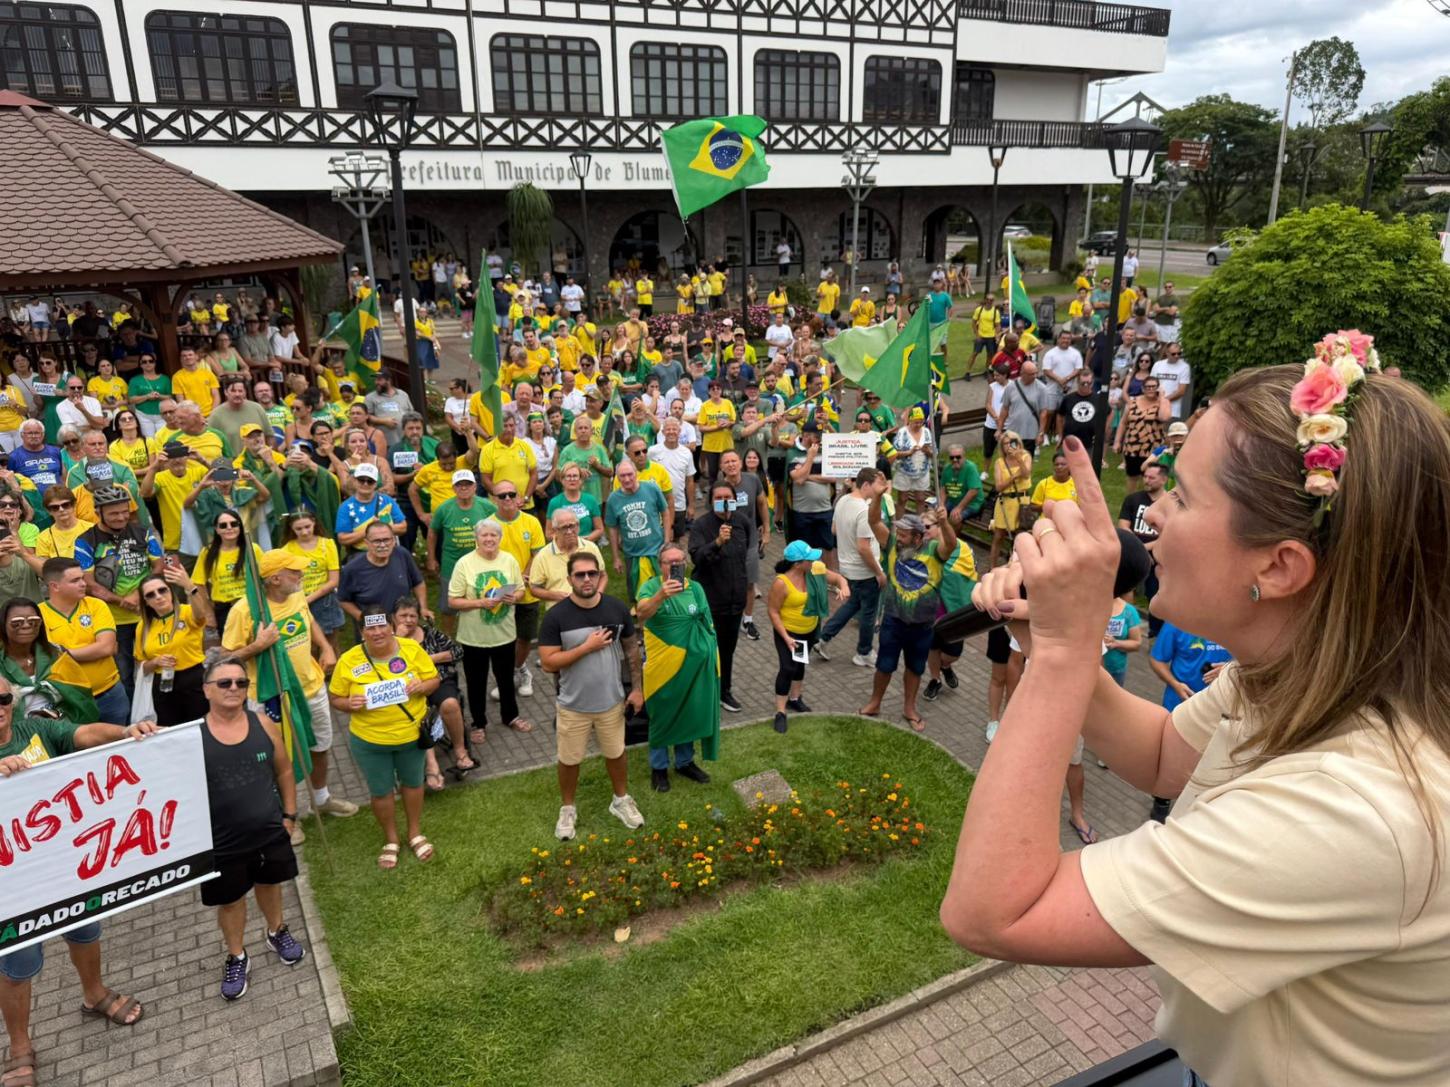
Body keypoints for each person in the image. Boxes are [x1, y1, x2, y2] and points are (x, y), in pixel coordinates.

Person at [943, 351, 1450, 1085]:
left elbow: (992, 910)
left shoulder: (1357, 810)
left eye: (1180, 496)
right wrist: (1050, 634)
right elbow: (1159, 754)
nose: (1149, 517)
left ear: (1278, 568)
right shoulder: (1306, 668)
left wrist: (1058, 654)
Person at [0, 679, 157, 1081]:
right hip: (11, 887)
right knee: (17, 964)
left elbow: (83, 733)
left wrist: (126, 732)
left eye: (2, 698)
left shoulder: (33, 729)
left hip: (62, 868)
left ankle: (95, 994)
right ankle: (19, 1045)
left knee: (85, 929)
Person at [223, 548, 356, 840]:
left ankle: (321, 799)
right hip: (272, 696)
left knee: (321, 745)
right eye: (294, 571)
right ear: (273, 579)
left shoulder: (296, 595)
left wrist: (325, 646)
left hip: (311, 686)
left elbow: (308, 621)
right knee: (277, 758)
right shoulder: (244, 611)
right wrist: (258, 645)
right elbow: (226, 659)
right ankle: (285, 814)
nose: (301, 575)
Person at [196, 656, 308, 1001]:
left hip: (269, 830)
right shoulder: (191, 736)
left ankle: (277, 931)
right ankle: (237, 955)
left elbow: (285, 771)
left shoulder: (262, 723)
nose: (234, 689)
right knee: (230, 901)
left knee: (270, 884)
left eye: (241, 683)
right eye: (225, 683)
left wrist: (289, 816)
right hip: (222, 841)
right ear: (206, 690)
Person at [536, 547, 647, 836]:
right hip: (573, 705)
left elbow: (632, 650)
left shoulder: (616, 608)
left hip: (612, 702)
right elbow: (548, 663)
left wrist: (637, 689)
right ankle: (568, 809)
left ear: (600, 576)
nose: (587, 579)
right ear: (569, 578)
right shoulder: (556, 617)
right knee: (569, 760)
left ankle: (621, 800)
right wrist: (587, 647)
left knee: (616, 753)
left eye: (592, 573)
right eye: (580, 574)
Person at [329, 604, 440, 868]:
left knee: (413, 785)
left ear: (391, 626)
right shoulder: (349, 660)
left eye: (382, 626)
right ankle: (391, 839)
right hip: (370, 741)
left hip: (410, 737)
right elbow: (335, 697)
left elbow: (434, 680)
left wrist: (421, 686)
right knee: (380, 792)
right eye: (371, 627)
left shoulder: (411, 649)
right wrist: (349, 704)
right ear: (362, 631)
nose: (378, 632)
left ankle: (414, 832)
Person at [635, 541, 721, 787]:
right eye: (670, 562)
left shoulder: (695, 588)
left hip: (693, 667)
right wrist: (661, 595)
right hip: (664, 670)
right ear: (660, 565)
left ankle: (685, 762)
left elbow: (706, 623)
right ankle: (659, 768)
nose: (675, 565)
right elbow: (641, 613)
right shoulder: (650, 587)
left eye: (679, 561)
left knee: (688, 713)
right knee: (663, 715)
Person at [74, 486, 163, 701]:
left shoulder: (144, 532)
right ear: (98, 512)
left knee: (158, 666)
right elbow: (88, 584)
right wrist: (122, 601)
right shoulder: (85, 541)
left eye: (124, 511)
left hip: (148, 613)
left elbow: (159, 567)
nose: (121, 517)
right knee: (123, 675)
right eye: (114, 513)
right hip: (113, 621)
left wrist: (139, 594)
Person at [448, 520, 531, 737]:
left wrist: (514, 597)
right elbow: (453, 601)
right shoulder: (464, 563)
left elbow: (521, 590)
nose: (489, 539)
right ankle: (478, 723)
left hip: (504, 634)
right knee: (476, 682)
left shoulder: (509, 560)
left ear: (500, 538)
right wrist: (480, 603)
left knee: (506, 679)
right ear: (477, 538)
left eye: (493, 535)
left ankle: (510, 716)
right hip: (473, 638)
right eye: (484, 535)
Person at [390, 597, 476, 787]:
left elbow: (457, 652)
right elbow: (387, 666)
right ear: (393, 618)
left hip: (439, 679)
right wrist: (399, 639)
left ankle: (461, 752)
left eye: (413, 615)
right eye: (403, 615)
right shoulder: (388, 641)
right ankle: (432, 765)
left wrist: (429, 658)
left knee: (450, 704)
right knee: (418, 712)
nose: (409, 620)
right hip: (407, 689)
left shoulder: (430, 634)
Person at [766, 539, 848, 734]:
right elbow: (773, 612)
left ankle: (795, 699)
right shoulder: (781, 583)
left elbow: (838, 579)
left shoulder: (815, 570)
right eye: (808, 559)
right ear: (797, 563)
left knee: (800, 665)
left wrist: (844, 587)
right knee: (787, 668)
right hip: (788, 633)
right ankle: (780, 712)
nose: (813, 561)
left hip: (809, 630)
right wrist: (786, 638)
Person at [39, 557, 131, 723]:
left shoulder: (96, 605)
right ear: (55, 586)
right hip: (69, 702)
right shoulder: (39, 616)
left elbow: (106, 647)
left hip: (110, 694)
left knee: (120, 747)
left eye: (82, 578)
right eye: (75, 580)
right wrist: (89, 651)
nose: (83, 583)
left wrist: (64, 654)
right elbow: (45, 659)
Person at [687, 478, 749, 714]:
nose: (724, 502)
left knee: (727, 649)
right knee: (705, 650)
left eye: (728, 498)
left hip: (735, 602)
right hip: (711, 601)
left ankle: (725, 691)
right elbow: (697, 557)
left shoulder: (742, 522)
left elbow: (744, 556)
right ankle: (703, 693)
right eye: (719, 498)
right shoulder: (702, 526)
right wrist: (717, 542)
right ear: (711, 501)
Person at [817, 468, 888, 667]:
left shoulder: (843, 501)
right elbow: (864, 547)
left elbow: (834, 529)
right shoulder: (864, 511)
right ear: (866, 485)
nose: (880, 490)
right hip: (864, 570)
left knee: (852, 605)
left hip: (847, 568)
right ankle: (863, 652)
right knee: (868, 613)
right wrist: (879, 572)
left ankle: (823, 637)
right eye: (877, 486)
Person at [134, 564, 212, 727]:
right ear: (146, 602)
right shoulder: (143, 626)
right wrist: (155, 662)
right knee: (169, 732)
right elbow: (141, 665)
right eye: (150, 595)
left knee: (200, 728)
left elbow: (201, 614)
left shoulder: (186, 612)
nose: (158, 596)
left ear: (170, 592)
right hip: (162, 686)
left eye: (162, 590)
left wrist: (190, 586)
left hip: (193, 680)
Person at [489, 483, 544, 698]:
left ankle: (519, 670)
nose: (507, 498)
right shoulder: (489, 525)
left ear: (519, 497)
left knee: (524, 638)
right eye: (502, 495)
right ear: (494, 499)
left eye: (512, 494)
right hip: (502, 592)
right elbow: (487, 558)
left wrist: (522, 579)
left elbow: (537, 554)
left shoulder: (531, 522)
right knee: (502, 639)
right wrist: (510, 581)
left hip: (528, 592)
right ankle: (508, 676)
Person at [338, 520, 430, 630]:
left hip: (404, 625)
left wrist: (423, 608)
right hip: (374, 630)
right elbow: (343, 600)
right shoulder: (352, 569)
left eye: (386, 540)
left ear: (393, 541)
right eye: (377, 541)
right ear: (367, 543)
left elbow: (418, 583)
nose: (382, 545)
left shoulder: (402, 555)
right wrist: (363, 618)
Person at [604, 458, 669, 603]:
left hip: (657, 550)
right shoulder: (613, 499)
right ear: (617, 477)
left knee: (665, 590)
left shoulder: (652, 489)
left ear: (636, 473)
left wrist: (667, 540)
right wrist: (615, 557)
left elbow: (665, 511)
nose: (627, 479)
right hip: (632, 555)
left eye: (630, 474)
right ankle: (642, 618)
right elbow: (612, 529)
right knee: (638, 596)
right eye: (622, 476)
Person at [280, 511, 344, 650]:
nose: (304, 532)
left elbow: (334, 581)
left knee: (331, 644)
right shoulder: (287, 549)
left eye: (307, 526)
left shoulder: (327, 544)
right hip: (298, 598)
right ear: (291, 528)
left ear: (314, 523)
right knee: (308, 645)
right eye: (299, 529)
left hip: (325, 600)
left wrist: (309, 599)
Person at [1118, 463, 1168, 636]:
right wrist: (1139, 550)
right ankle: (1127, 626)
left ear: (1164, 479)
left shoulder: (1169, 504)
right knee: (1125, 589)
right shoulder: (1133, 499)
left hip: (1158, 556)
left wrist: (1146, 549)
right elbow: (1124, 526)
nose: (1146, 480)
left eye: (1151, 478)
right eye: (1145, 476)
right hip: (1132, 552)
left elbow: (1168, 534)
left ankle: (1155, 630)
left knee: (1155, 593)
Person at [529, 508, 607, 609]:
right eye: (564, 528)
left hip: (590, 606)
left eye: (572, 526)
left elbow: (603, 575)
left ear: (578, 526)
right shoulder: (543, 556)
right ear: (555, 530)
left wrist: (597, 595)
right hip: (559, 609)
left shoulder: (591, 547)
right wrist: (557, 596)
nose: (570, 531)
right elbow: (534, 588)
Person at [1113, 375, 1172, 492]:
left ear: (1158, 388)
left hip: (1153, 449)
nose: (1151, 389)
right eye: (1148, 387)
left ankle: (1148, 505)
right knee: (1132, 478)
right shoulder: (1133, 402)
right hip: (1132, 447)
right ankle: (1132, 504)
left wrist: (1162, 397)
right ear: (1143, 388)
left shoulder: (1163, 402)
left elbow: (1164, 417)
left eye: (1154, 387)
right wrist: (1117, 441)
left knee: (1151, 478)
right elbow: (1123, 423)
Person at [988, 431, 1033, 569]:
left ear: (1018, 443)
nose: (1009, 446)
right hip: (1005, 502)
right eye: (1006, 443)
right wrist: (1014, 476)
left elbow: (1026, 475)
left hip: (1022, 501)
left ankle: (1017, 566)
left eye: (1012, 442)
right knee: (999, 535)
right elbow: (999, 486)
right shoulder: (999, 462)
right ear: (1002, 446)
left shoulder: (1025, 456)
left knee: (1021, 535)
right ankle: (992, 567)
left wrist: (1019, 459)